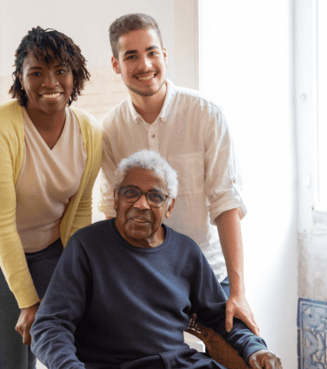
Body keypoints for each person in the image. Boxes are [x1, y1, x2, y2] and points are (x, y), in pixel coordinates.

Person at [31, 150, 281, 369]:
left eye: (155, 196)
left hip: (181, 362)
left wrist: (255, 349)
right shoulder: (86, 246)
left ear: (169, 207)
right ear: (116, 200)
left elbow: (220, 317)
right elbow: (49, 326)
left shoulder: (186, 252)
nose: (141, 204)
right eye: (131, 193)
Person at [0, 27, 102, 369]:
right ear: (20, 77)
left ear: (76, 76)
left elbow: (81, 211)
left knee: (64, 346)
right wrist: (28, 302)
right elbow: (0, 227)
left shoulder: (89, 130)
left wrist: (79, 276)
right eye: (37, 72)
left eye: (61, 70)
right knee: (10, 361)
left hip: (50, 249)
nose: (50, 82)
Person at [99, 13, 259, 336]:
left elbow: (226, 203)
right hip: (141, 280)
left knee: (239, 353)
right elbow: (110, 212)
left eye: (152, 52)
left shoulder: (207, 116)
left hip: (210, 276)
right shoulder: (107, 131)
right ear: (116, 65)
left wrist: (238, 292)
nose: (145, 64)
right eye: (131, 56)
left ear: (165, 55)